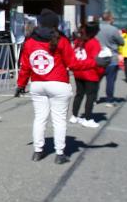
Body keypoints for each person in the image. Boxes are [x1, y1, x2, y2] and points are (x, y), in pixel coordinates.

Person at [14, 9, 95, 164]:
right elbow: (73, 64)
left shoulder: (29, 41)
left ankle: (38, 152)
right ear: (56, 24)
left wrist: (20, 85)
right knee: (58, 121)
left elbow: (25, 67)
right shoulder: (61, 40)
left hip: (37, 84)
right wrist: (94, 63)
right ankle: (59, 154)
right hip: (58, 84)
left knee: (40, 119)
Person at [70, 22, 105, 128]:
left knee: (79, 94)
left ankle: (74, 116)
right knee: (90, 96)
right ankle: (88, 118)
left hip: (78, 72)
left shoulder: (78, 41)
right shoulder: (94, 42)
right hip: (90, 73)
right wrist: (100, 71)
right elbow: (96, 60)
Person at [97, 11, 124, 104]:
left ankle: (93, 98)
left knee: (96, 80)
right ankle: (109, 100)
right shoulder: (114, 29)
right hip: (112, 58)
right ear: (110, 19)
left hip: (98, 57)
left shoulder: (96, 28)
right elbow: (121, 42)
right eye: (113, 18)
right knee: (110, 80)